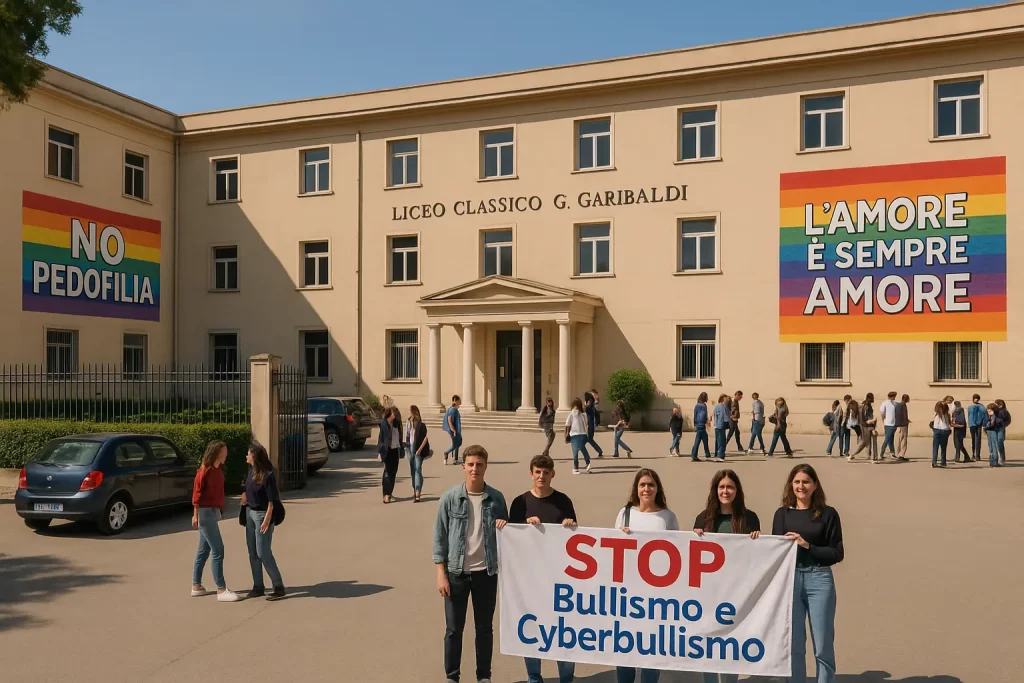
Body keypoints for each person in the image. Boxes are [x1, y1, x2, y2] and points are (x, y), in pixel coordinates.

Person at [433, 444, 509, 683]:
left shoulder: (496, 498)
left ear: (486, 467)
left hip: (486, 573)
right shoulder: (449, 498)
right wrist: (441, 573)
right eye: (471, 464)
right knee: (454, 630)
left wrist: (504, 527)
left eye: (480, 464)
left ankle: (483, 676)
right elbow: (440, 538)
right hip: (456, 573)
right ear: (463, 466)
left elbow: (507, 535)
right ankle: (452, 676)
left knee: (484, 629)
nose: (475, 469)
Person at [508, 454, 578, 683]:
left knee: (562, 629)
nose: (541, 476)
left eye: (545, 473)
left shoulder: (564, 501)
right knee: (531, 628)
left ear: (552, 474)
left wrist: (570, 526)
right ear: (531, 473)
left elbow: (575, 537)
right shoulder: (520, 502)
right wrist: (525, 527)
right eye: (537, 472)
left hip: (560, 577)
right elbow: (512, 539)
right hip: (530, 579)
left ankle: (566, 677)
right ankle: (534, 677)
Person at [772, 465, 844, 683]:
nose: (800, 486)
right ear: (790, 485)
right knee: (794, 644)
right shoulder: (782, 513)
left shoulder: (828, 514)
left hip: (819, 579)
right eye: (796, 482)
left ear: (814, 485)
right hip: (790, 580)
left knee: (822, 644)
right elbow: (774, 550)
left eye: (805, 482)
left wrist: (807, 545)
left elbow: (836, 553)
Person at [692, 469, 759, 683]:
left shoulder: (749, 518)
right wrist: (694, 537)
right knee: (709, 639)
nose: (725, 491)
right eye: (721, 487)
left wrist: (758, 539)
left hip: (737, 591)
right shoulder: (703, 518)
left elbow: (759, 555)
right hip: (709, 592)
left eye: (730, 487)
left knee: (732, 639)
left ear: (737, 490)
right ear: (715, 490)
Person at [614, 469, 678, 683]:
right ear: (636, 488)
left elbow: (678, 551)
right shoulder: (625, 513)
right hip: (628, 591)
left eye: (650, 484)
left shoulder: (667, 516)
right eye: (642, 485)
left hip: (656, 593)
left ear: (657, 488)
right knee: (625, 645)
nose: (646, 489)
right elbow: (611, 549)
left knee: (651, 648)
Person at [190, 440, 240, 602]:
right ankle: (221, 589)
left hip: (212, 511)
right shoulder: (205, 470)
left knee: (203, 551)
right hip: (205, 513)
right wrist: (195, 514)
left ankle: (196, 586)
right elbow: (197, 494)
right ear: (217, 453)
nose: (226, 454)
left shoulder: (219, 470)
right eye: (224, 451)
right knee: (218, 549)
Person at [242, 442, 285, 599]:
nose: (246, 456)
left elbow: (272, 499)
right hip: (249, 513)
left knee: (263, 552)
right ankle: (258, 586)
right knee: (252, 552)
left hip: (262, 515)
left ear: (254, 456)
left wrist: (267, 519)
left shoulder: (268, 474)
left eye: (248, 453)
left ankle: (278, 586)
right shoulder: (251, 470)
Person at [377, 407, 402, 503]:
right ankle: (386, 494)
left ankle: (389, 492)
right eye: (393, 414)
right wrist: (379, 451)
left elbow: (399, 435)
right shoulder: (384, 424)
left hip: (395, 450)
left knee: (393, 473)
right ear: (389, 414)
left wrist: (402, 444)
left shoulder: (397, 424)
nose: (394, 416)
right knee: (387, 472)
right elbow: (381, 438)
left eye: (395, 415)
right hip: (387, 450)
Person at [406, 405, 430, 502]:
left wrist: (419, 449)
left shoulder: (421, 425)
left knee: (417, 470)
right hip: (408, 447)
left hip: (417, 448)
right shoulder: (408, 422)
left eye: (411, 412)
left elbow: (425, 438)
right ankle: (415, 489)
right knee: (413, 470)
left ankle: (417, 492)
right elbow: (406, 435)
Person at [565, 398, 592, 475]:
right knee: (582, 449)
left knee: (575, 452)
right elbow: (586, 424)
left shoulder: (572, 414)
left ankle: (576, 468)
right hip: (583, 434)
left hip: (574, 435)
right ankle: (588, 462)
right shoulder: (584, 414)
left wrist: (566, 434)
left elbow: (568, 425)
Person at [848, 393, 877, 462]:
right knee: (864, 442)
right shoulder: (867, 405)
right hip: (866, 426)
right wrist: (872, 420)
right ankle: (852, 454)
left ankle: (870, 456)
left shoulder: (863, 404)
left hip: (863, 425)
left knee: (868, 441)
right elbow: (867, 417)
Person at [877, 392, 899, 459]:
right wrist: (883, 419)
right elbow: (882, 412)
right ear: (891, 396)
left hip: (894, 423)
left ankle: (892, 452)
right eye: (894, 396)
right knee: (887, 439)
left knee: (891, 439)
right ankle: (881, 453)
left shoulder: (895, 403)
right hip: (888, 424)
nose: (895, 398)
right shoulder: (885, 403)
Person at [443, 395, 463, 466]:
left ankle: (456, 459)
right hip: (454, 430)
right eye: (459, 400)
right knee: (456, 444)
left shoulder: (454, 409)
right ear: (456, 401)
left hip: (456, 429)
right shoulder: (452, 410)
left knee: (457, 443)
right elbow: (449, 420)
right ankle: (447, 452)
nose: (460, 402)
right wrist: (453, 430)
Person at [691, 393, 711, 461]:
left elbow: (695, 415)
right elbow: (703, 415)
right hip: (701, 425)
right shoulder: (703, 405)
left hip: (698, 424)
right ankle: (694, 454)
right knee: (698, 440)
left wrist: (695, 424)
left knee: (704, 438)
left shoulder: (697, 405)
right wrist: (705, 422)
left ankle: (707, 453)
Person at [931, 400, 952, 468]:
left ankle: (934, 462)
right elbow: (949, 423)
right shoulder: (947, 414)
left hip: (937, 430)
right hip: (945, 430)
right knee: (943, 447)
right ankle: (943, 461)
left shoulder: (936, 414)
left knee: (935, 447)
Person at [584, 390, 604, 458]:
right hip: (590, 425)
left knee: (588, 439)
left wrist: (586, 405)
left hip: (590, 425)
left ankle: (599, 451)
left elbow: (588, 411)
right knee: (588, 439)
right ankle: (599, 451)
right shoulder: (592, 406)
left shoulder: (590, 407)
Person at [967, 394, 986, 462]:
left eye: (977, 398)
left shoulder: (982, 407)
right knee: (973, 440)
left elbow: (984, 416)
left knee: (978, 440)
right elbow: (969, 416)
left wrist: (983, 424)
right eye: (975, 398)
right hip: (972, 425)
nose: (976, 400)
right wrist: (969, 423)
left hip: (978, 425)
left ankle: (977, 455)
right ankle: (973, 454)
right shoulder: (970, 407)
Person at [985, 403, 1005, 468]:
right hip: (991, 432)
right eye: (987, 411)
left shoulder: (994, 416)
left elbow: (993, 425)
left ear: (993, 410)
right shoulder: (992, 416)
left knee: (993, 447)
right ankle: (993, 461)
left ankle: (994, 461)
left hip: (993, 432)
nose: (988, 412)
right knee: (991, 446)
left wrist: (986, 428)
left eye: (989, 411)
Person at [712, 394, 730, 461]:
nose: (727, 400)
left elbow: (714, 415)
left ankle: (717, 453)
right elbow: (725, 416)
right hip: (721, 425)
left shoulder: (716, 406)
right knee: (722, 441)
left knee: (717, 440)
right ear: (723, 399)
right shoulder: (723, 406)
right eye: (726, 399)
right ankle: (721, 455)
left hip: (716, 425)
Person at [894, 394, 911, 461]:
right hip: (903, 425)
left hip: (898, 425)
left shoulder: (897, 405)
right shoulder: (903, 405)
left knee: (898, 441)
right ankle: (901, 455)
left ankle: (897, 454)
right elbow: (904, 415)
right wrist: (906, 422)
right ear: (906, 399)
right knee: (903, 441)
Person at [994, 399, 1011, 465]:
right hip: (994, 428)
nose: (999, 405)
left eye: (1000, 404)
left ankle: (1002, 458)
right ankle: (995, 458)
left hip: (1001, 428)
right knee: (994, 443)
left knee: (1000, 442)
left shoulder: (1004, 411)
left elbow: (1008, 420)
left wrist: (1004, 425)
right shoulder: (994, 410)